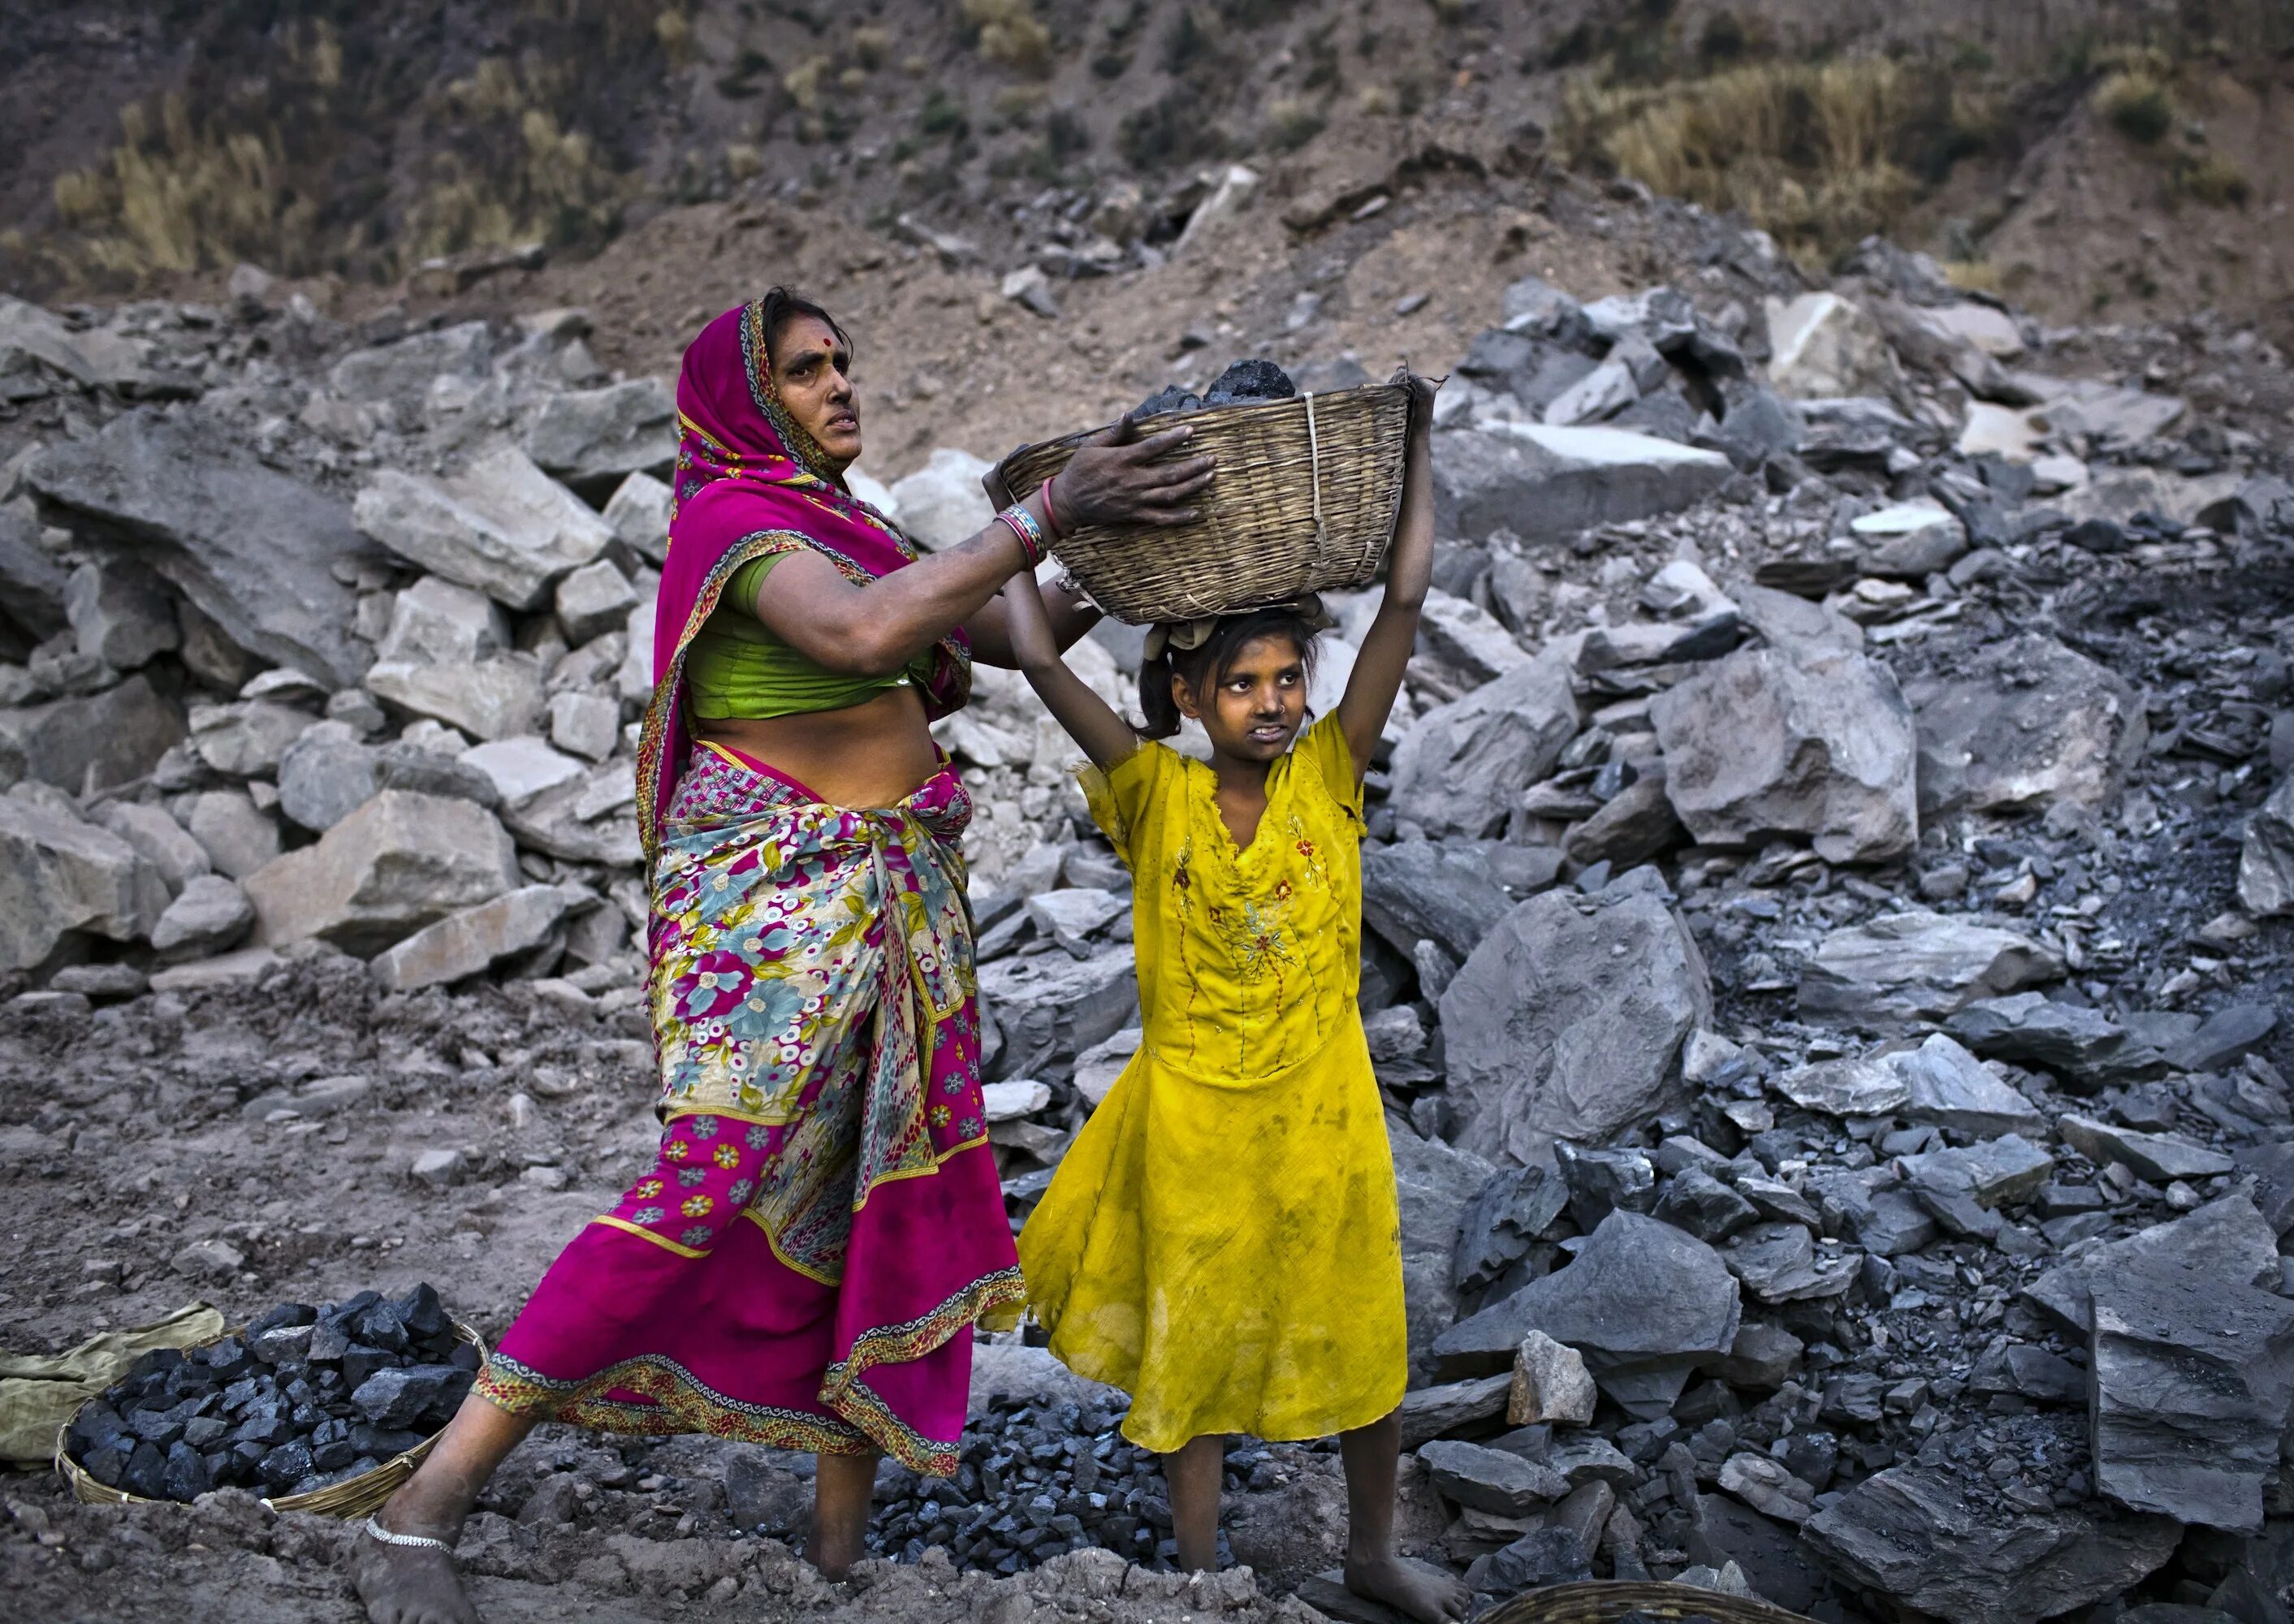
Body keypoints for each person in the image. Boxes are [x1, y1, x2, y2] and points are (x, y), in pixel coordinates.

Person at [353, 287, 1214, 1624]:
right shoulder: (733, 522)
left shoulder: (847, 523)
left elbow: (980, 631)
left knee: (868, 1194)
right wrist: (1044, 512)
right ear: (744, 399)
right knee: (701, 1189)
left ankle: (833, 1564)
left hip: (893, 896)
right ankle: (425, 1507)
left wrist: (1099, 545)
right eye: (807, 372)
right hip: (777, 903)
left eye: (844, 364)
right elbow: (869, 637)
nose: (839, 386)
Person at [1001, 370, 1467, 1623]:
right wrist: (1038, 513)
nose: (1274, 703)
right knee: (1196, 1341)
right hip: (1194, 1122)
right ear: (1189, 698)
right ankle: (1202, 1582)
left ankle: (1372, 1554)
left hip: (1322, 1108)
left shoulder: (1333, 772)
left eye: (1286, 678)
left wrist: (1414, 442)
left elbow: (1406, 598)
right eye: (1244, 685)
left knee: (1362, 1328)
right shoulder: (1149, 796)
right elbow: (1037, 650)